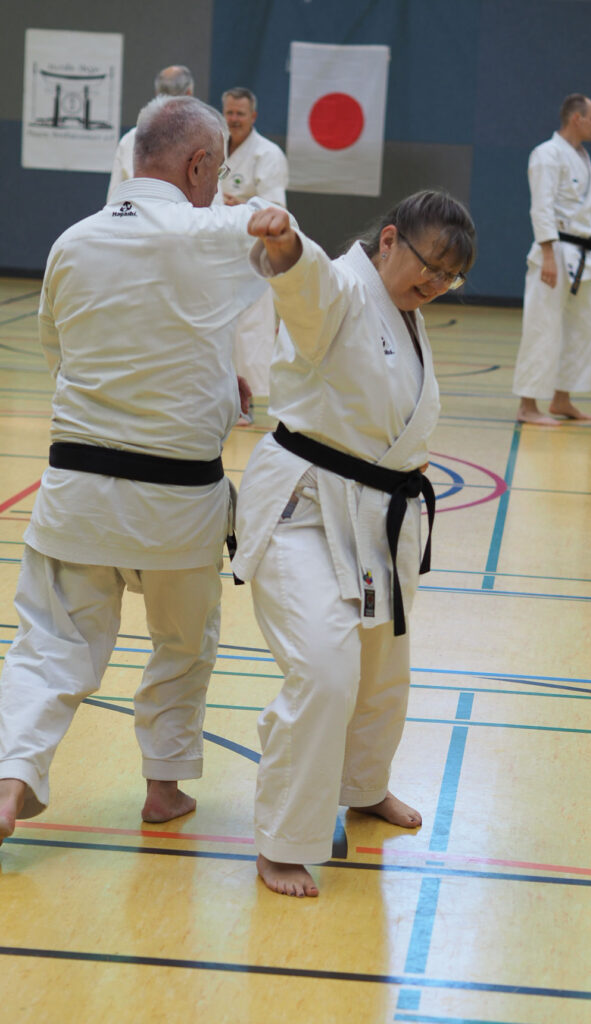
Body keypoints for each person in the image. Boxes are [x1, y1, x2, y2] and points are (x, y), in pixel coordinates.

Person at [0, 95, 267, 844]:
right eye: (217, 171)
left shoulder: (71, 241)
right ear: (199, 164)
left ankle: (8, 780)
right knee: (182, 645)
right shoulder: (207, 229)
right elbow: (258, 260)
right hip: (180, 503)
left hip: (77, 492)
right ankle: (163, 786)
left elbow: (65, 357)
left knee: (49, 645)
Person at [231, 191, 476, 897]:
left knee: (381, 670)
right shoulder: (339, 286)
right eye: (428, 270)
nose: (433, 288)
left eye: (448, 281)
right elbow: (305, 285)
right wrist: (285, 246)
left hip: (377, 514)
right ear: (390, 239)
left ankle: (364, 787)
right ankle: (281, 839)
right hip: (304, 507)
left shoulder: (401, 308)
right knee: (325, 668)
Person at [512, 94, 591, 425]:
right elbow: (540, 206)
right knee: (543, 327)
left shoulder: (582, 157)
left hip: (582, 255)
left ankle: (562, 399)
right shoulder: (547, 155)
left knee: (582, 330)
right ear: (576, 118)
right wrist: (547, 254)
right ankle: (528, 405)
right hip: (555, 251)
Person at [219, 87, 289, 413]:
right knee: (217, 325)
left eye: (240, 114)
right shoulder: (215, 147)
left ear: (253, 117)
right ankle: (219, 397)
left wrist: (242, 204)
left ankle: (245, 402)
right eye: (229, 113)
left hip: (251, 253)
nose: (233, 120)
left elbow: (276, 209)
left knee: (249, 331)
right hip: (216, 250)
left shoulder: (268, 154)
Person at [106, 65, 194, 202]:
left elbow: (113, 200)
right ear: (189, 94)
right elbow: (213, 204)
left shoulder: (130, 139)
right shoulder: (202, 140)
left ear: (157, 94)